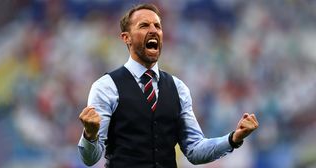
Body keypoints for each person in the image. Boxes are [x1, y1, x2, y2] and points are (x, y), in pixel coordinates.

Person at [78, 3, 259, 168]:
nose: (153, 30)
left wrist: (233, 139)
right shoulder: (106, 87)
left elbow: (195, 150)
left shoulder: (178, 88)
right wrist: (90, 135)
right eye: (144, 25)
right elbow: (90, 158)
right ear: (126, 38)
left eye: (157, 26)